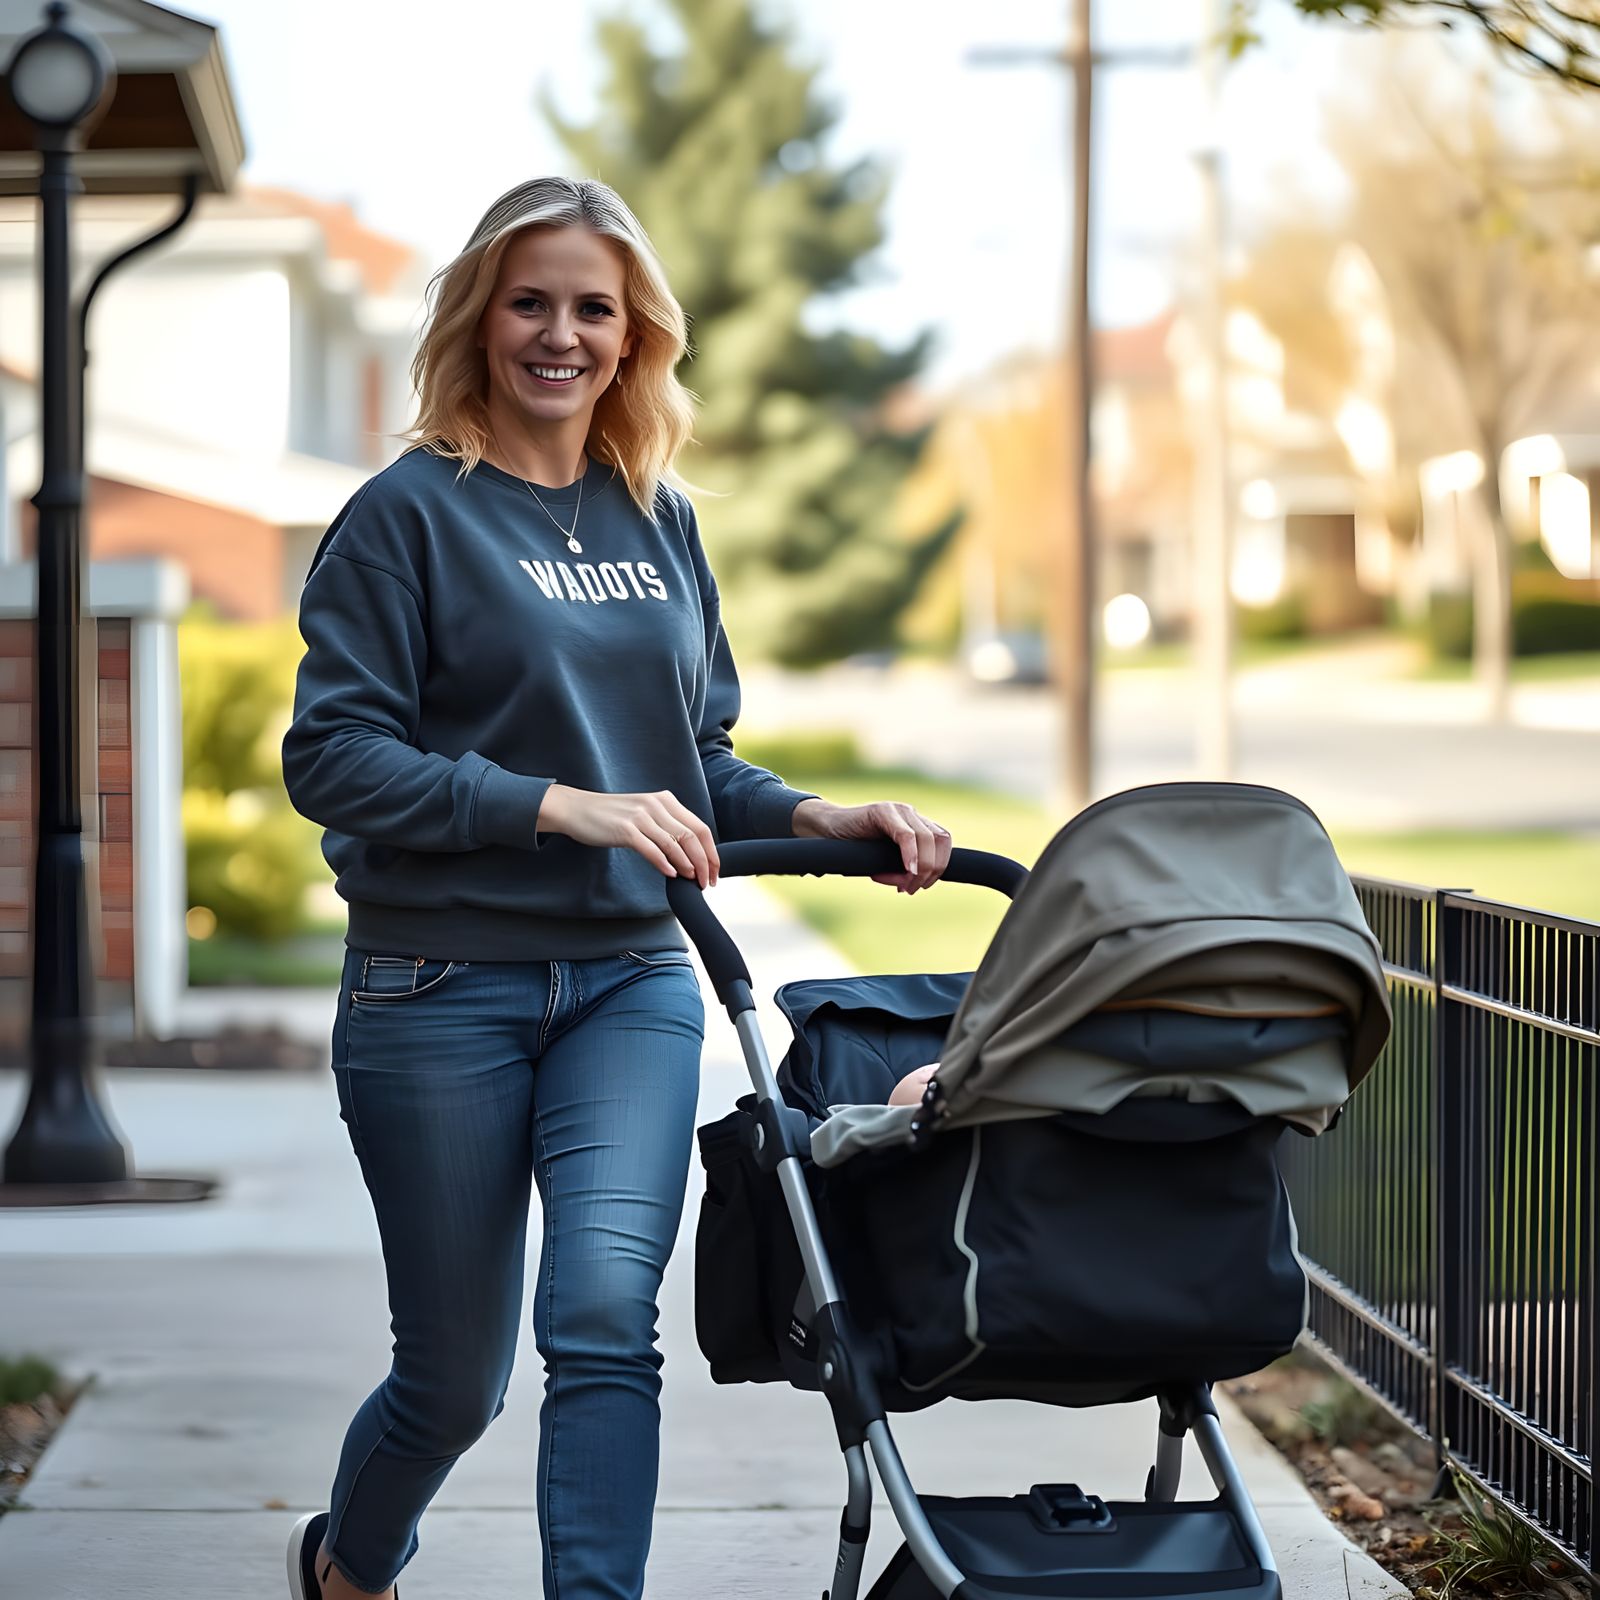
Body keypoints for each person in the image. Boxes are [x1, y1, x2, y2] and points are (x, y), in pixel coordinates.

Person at [279, 175, 954, 1600]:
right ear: (480, 318)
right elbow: (332, 759)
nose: (561, 334)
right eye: (530, 302)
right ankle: (348, 1567)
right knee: (453, 1379)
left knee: (601, 1323)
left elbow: (691, 760)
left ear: (634, 335)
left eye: (594, 308)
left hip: (630, 984)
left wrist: (822, 816)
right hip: (435, 990)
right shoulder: (405, 517)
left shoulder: (659, 517)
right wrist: (552, 805)